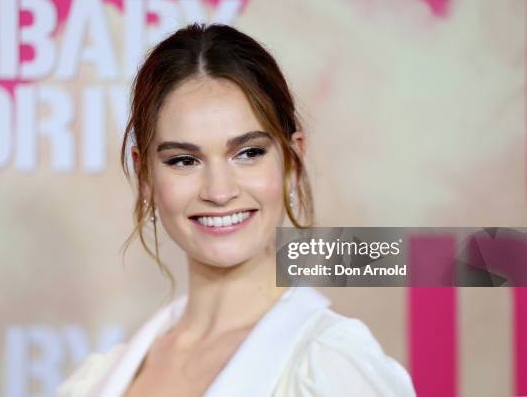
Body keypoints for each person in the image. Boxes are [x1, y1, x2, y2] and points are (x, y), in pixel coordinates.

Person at [58, 23, 416, 397]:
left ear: (292, 159)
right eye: (183, 160)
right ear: (145, 173)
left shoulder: (330, 366)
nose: (219, 191)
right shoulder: (98, 380)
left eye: (248, 153)